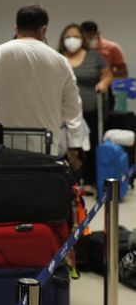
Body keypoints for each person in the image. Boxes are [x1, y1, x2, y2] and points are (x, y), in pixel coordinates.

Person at [0, 5, 83, 161]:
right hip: (45, 148)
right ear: (43, 29)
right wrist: (74, 145)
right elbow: (73, 108)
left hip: (4, 149)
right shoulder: (60, 61)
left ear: (16, 28)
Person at [58, 23, 112, 193]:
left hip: (91, 108)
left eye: (75, 36)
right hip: (65, 110)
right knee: (67, 145)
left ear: (82, 39)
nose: (71, 40)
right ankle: (70, 180)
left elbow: (108, 74)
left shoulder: (94, 57)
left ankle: (90, 181)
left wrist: (103, 83)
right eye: (67, 37)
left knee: (91, 144)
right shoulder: (58, 57)